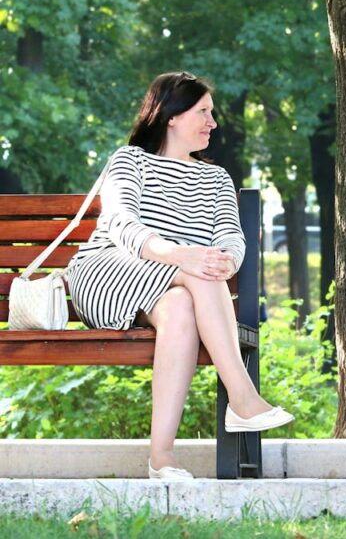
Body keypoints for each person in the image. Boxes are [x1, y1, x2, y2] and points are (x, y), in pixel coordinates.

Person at [66, 72, 293, 480]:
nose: (213, 122)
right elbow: (120, 224)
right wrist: (181, 256)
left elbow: (229, 235)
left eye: (212, 113)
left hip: (173, 285)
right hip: (107, 272)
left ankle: (162, 456)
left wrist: (227, 260)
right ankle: (242, 398)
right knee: (198, 274)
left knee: (186, 299)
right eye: (203, 111)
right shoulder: (129, 160)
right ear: (171, 115)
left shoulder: (216, 177)